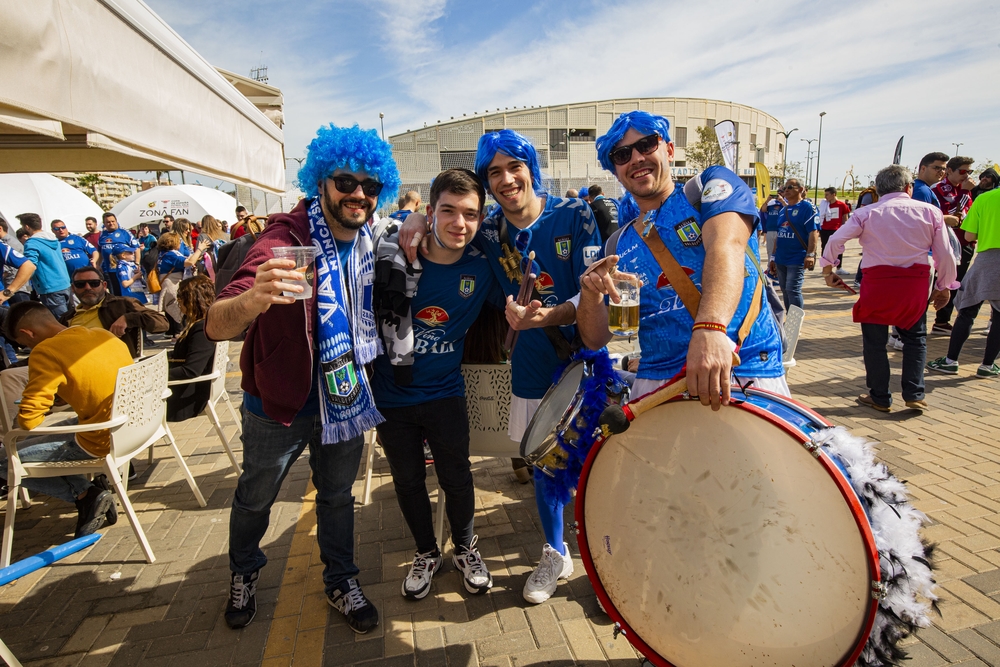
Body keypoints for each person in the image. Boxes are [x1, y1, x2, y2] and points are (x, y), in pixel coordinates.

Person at [205, 122, 399, 633]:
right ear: (320, 183)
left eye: (370, 186)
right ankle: (244, 573)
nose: (358, 194)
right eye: (346, 182)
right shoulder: (281, 239)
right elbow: (215, 321)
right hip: (279, 402)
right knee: (256, 496)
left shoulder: (370, 238)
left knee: (337, 497)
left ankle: (341, 580)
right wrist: (252, 298)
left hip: (346, 396)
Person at [396, 129, 601, 605]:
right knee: (546, 466)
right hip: (531, 364)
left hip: (584, 361)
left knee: (597, 459)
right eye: (495, 173)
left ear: (531, 167)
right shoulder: (488, 232)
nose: (507, 179)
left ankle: (603, 547)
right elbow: (447, 233)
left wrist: (554, 314)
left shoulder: (575, 214)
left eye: (515, 167)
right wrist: (411, 218)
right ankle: (555, 552)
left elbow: (595, 285)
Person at [578, 110, 786, 407]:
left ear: (670, 150)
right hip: (657, 384)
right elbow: (596, 339)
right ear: (616, 171)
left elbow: (725, 246)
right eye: (622, 155)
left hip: (741, 370)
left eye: (647, 144)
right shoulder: (616, 242)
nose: (636, 158)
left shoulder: (709, 188)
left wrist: (710, 328)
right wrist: (590, 295)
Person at [371, 169, 502, 600]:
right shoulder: (391, 256)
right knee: (407, 483)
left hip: (446, 394)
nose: (459, 223)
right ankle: (426, 552)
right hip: (393, 395)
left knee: (457, 478)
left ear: (481, 219)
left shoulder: (482, 268)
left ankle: (466, 549)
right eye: (448, 211)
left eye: (470, 215)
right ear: (430, 213)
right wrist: (405, 222)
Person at [822, 165, 956, 411]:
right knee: (915, 340)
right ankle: (914, 394)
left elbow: (835, 239)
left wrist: (828, 269)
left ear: (879, 189)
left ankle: (880, 396)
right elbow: (945, 254)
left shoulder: (866, 213)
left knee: (874, 342)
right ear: (908, 187)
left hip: (877, 283)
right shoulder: (931, 212)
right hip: (914, 284)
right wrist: (944, 285)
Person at [0, 301, 132, 537]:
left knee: (6, 458)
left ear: (28, 333)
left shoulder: (46, 351)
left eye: (25, 344)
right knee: (32, 445)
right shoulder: (103, 335)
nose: (28, 348)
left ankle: (85, 494)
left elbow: (29, 421)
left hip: (98, 437)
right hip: (127, 426)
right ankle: (91, 492)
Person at [927, 184, 1000, 377]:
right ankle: (987, 365)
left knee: (967, 310)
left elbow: (969, 235)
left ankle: (951, 361)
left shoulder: (985, 199)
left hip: (987, 260)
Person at [61, 266, 168, 358]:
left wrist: (129, 319)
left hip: (116, 366)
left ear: (104, 285)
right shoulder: (67, 318)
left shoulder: (122, 304)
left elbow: (162, 323)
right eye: (80, 284)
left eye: (94, 283)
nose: (88, 288)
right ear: (73, 288)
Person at [931, 156, 977, 333]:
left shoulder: (965, 189)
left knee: (955, 283)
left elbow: (967, 215)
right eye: (963, 171)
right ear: (949, 170)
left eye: (970, 172)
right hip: (945, 242)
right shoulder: (938, 189)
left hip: (964, 242)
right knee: (937, 281)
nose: (966, 176)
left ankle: (942, 321)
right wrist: (964, 194)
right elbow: (949, 216)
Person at [166, 275, 218, 421]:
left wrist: (154, 376)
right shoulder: (204, 323)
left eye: (180, 297)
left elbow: (191, 370)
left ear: (192, 299)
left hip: (184, 400)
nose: (178, 302)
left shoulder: (201, 328)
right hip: (187, 394)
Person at [11, 213, 73, 319]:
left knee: (61, 322)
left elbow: (30, 266)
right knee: (70, 318)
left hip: (50, 287)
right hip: (65, 283)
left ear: (26, 226)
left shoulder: (32, 243)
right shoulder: (53, 239)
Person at [769, 179, 819, 310]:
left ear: (801, 189)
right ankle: (790, 320)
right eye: (784, 187)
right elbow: (778, 234)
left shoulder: (807, 207)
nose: (786, 190)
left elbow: (814, 231)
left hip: (797, 257)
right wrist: (773, 257)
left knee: (793, 290)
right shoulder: (783, 210)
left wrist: (810, 254)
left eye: (790, 187)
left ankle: (795, 325)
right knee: (785, 290)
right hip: (781, 258)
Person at [155, 232, 190, 336]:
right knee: (177, 307)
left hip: (167, 283)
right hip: (172, 284)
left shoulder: (162, 253)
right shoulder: (171, 254)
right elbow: (189, 262)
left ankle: (172, 332)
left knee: (170, 306)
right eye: (178, 241)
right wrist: (200, 249)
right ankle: (178, 334)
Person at [98, 212, 140, 296]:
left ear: (116, 221)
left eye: (113, 221)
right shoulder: (103, 235)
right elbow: (100, 251)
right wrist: (98, 265)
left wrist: (137, 263)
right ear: (104, 223)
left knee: (128, 292)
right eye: (108, 222)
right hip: (109, 269)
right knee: (115, 293)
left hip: (124, 269)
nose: (111, 223)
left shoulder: (124, 232)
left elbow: (137, 248)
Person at [818, 187, 851, 273]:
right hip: (824, 229)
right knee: (824, 248)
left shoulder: (842, 205)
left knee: (838, 248)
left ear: (834, 194)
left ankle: (839, 268)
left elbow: (845, 218)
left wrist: (845, 229)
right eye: (825, 195)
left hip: (836, 230)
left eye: (827, 195)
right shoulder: (824, 204)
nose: (825, 197)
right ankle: (825, 267)